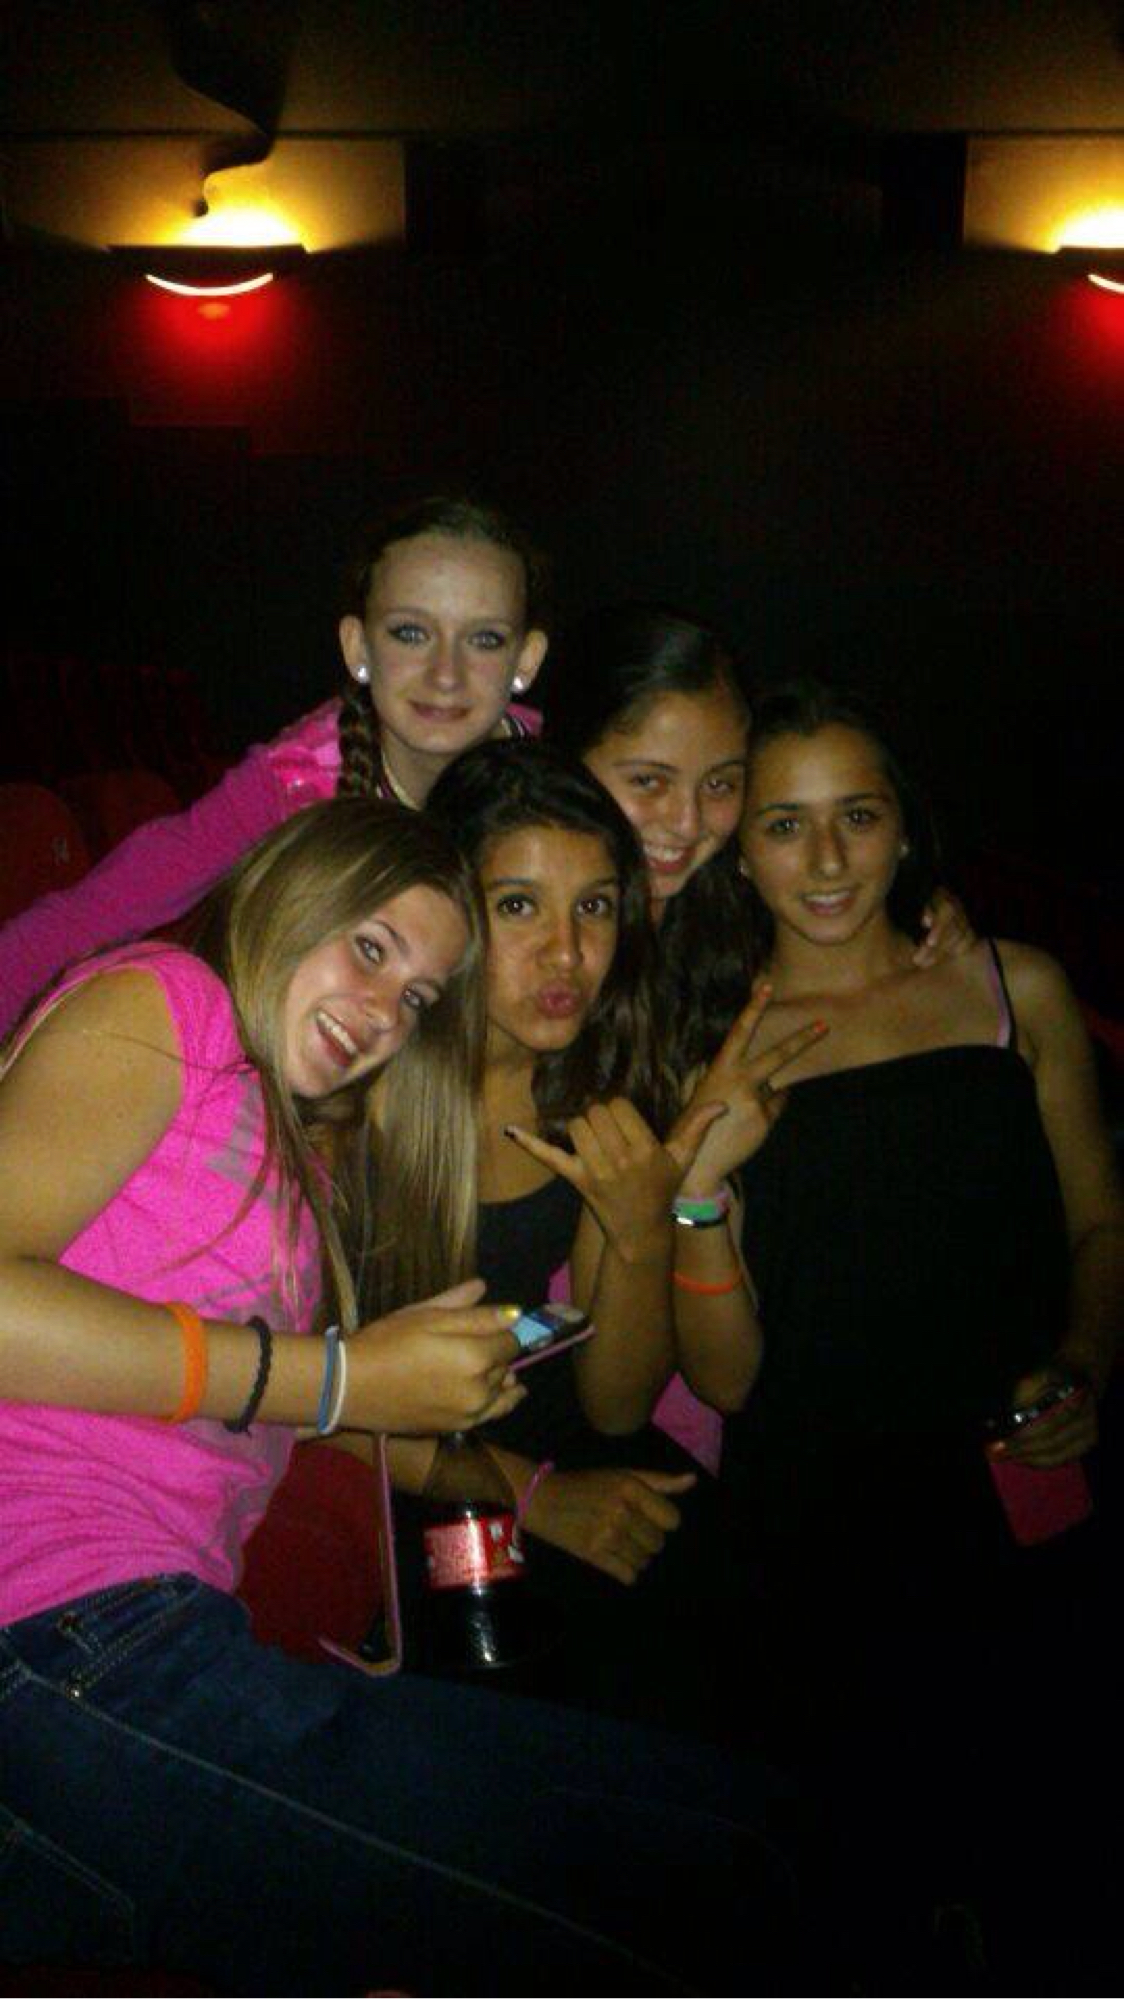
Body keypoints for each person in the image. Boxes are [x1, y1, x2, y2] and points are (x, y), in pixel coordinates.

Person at [0, 795, 806, 1998]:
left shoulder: (303, 1143)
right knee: (685, 1898)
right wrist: (343, 1377)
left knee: (747, 1832)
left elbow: (609, 1391)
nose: (384, 1012)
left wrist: (670, 1190)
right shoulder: (168, 1004)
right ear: (289, 893)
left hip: (151, 1641)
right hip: (64, 1636)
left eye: (419, 995)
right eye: (369, 949)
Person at [671, 677, 1124, 1983]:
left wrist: (1084, 1361)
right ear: (738, 850)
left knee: (1061, 1862)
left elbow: (1099, 1220)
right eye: (783, 824)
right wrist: (695, 1190)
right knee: (869, 1899)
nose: (824, 860)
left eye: (856, 816)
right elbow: (729, 1378)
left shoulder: (1012, 986)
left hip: (1019, 1487)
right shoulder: (720, 1047)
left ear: (905, 825)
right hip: (821, 1534)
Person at [385, 740, 817, 1737]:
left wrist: (640, 1228)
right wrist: (538, 1498)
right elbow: (315, 1397)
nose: (566, 953)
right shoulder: (367, 1086)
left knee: (754, 1649)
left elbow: (615, 1402)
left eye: (593, 907)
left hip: (572, 1456)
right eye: (518, 906)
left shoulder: (598, 1084)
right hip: (412, 1472)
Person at [0, 495, 548, 1038]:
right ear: (358, 647)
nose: (446, 673)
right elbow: (107, 907)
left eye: (484, 639)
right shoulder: (295, 779)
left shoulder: (560, 797)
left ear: (525, 659)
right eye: (411, 633)